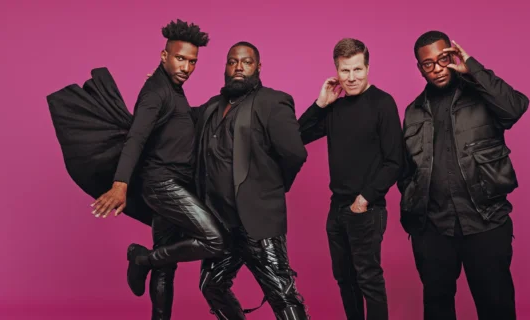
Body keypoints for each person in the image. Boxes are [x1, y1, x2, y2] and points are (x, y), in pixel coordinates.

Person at [86, 19, 226, 320]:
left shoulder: (172, 89)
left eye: (192, 61)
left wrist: (223, 100)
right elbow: (136, 137)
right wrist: (120, 183)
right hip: (163, 184)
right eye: (180, 58)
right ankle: (141, 258)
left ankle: (153, 288)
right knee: (214, 240)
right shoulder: (157, 92)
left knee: (166, 264)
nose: (186, 67)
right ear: (164, 56)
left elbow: (183, 121)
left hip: (175, 182)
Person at [398, 30, 530, 320]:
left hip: (485, 223)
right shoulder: (413, 113)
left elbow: (515, 108)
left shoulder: (482, 96)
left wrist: (473, 68)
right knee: (437, 308)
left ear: (453, 56)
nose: (438, 68)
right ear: (420, 68)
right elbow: (406, 170)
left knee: (496, 307)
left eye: (443, 58)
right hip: (434, 230)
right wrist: (415, 218)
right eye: (428, 64)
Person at [193, 41, 310, 320]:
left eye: (246, 62)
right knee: (211, 284)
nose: (239, 68)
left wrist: (270, 186)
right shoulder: (211, 107)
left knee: (282, 293)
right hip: (221, 223)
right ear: (225, 67)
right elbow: (176, 123)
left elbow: (295, 153)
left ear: (258, 67)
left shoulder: (272, 101)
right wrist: (162, 83)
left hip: (257, 222)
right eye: (233, 62)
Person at [298, 38, 404, 320]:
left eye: (357, 69)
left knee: (368, 279)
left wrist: (364, 199)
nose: (352, 77)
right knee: (345, 280)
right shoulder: (335, 107)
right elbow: (296, 138)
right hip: (337, 209)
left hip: (366, 209)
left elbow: (395, 161)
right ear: (336, 71)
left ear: (368, 67)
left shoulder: (383, 103)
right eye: (345, 71)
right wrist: (320, 104)